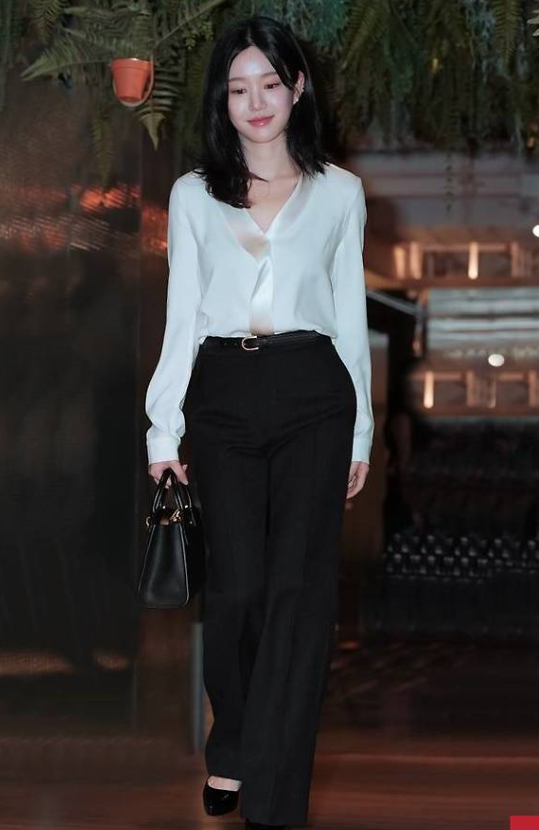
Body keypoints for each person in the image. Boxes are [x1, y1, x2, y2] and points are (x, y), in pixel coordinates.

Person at [145, 14, 374, 830]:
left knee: (298, 594)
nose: (255, 102)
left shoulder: (340, 193)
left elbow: (350, 317)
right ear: (223, 100)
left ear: (296, 87)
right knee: (238, 589)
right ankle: (235, 739)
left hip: (314, 391)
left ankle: (274, 802)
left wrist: (360, 433)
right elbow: (180, 316)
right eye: (238, 89)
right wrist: (162, 431)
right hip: (223, 393)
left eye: (269, 83)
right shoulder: (193, 195)